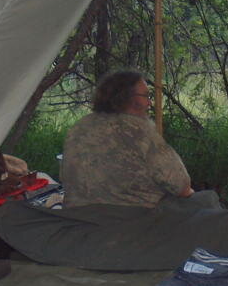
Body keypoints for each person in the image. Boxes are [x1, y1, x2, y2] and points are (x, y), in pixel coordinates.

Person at [61, 69, 196, 209]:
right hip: (132, 219)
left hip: (79, 214)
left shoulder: (80, 126)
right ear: (127, 98)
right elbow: (181, 186)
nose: (149, 103)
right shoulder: (138, 130)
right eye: (146, 96)